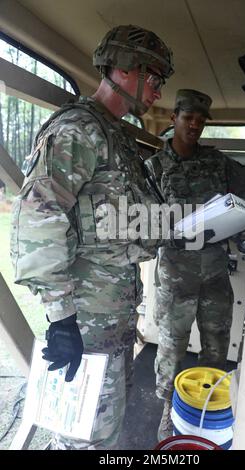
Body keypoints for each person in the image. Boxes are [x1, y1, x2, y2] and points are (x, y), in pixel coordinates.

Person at [10, 24, 174, 450]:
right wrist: (61, 318)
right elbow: (38, 219)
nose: (157, 92)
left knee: (108, 430)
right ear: (123, 70)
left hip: (115, 319)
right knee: (86, 438)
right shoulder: (79, 130)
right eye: (154, 79)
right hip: (84, 324)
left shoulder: (116, 135)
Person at [145, 89, 245, 441]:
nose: (194, 124)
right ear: (173, 119)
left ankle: (206, 405)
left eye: (200, 120)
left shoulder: (217, 162)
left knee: (216, 340)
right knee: (172, 344)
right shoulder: (153, 168)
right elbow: (143, 221)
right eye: (188, 117)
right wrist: (169, 230)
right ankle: (168, 410)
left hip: (213, 270)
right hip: (176, 273)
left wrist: (240, 213)